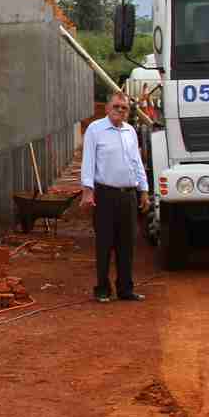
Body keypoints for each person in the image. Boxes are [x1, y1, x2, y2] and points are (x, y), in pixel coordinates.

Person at [80, 91, 150, 302]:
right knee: (104, 243)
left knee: (127, 244)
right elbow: (88, 161)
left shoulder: (130, 131)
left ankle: (125, 289)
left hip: (128, 196)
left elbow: (137, 162)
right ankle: (102, 289)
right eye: (116, 106)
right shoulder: (95, 130)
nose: (120, 110)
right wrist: (87, 190)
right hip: (105, 195)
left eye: (124, 108)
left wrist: (144, 191)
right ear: (107, 108)